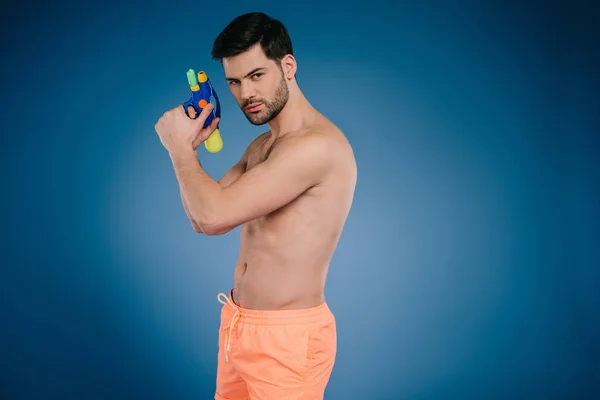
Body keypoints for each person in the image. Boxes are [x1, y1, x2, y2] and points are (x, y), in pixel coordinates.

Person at [154, 11, 357, 400]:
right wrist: (189, 150)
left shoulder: (315, 146)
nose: (245, 93)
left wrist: (179, 150)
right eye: (234, 81)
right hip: (239, 325)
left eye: (256, 75)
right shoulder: (262, 146)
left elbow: (212, 217)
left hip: (288, 341)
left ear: (288, 66)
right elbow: (202, 215)